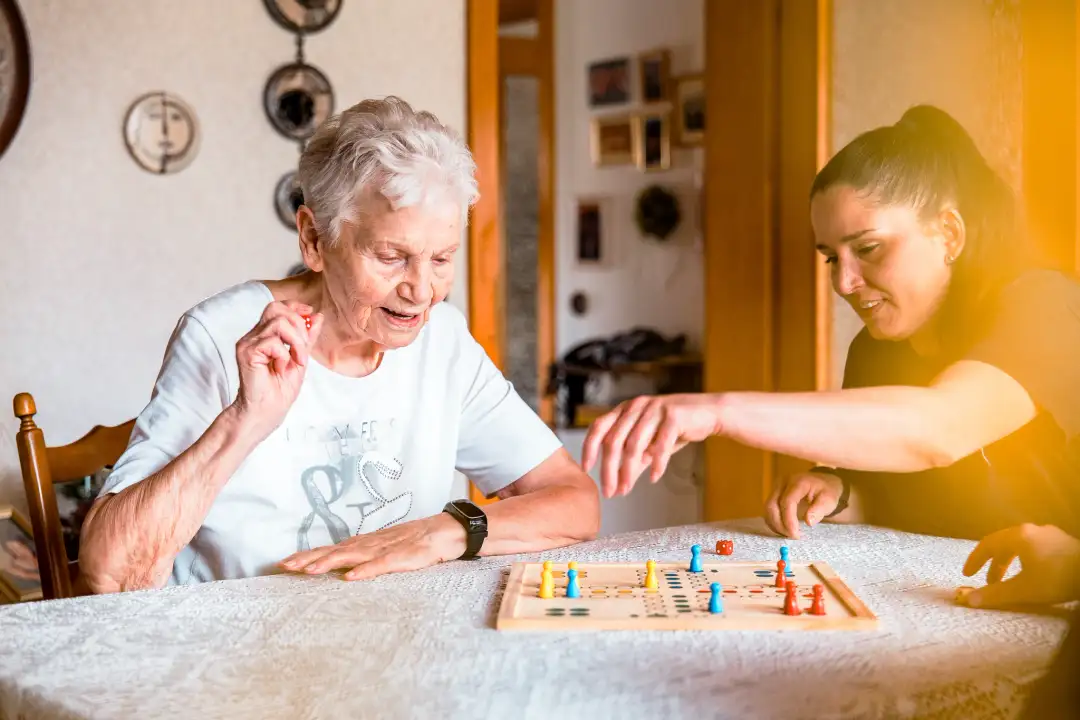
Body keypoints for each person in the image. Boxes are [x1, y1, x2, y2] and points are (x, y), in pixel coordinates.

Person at [78, 97, 599, 592]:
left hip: (393, 650)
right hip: (236, 658)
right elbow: (111, 576)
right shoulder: (221, 335)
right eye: (391, 256)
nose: (421, 291)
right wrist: (246, 420)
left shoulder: (442, 339)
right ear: (313, 239)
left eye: (441, 259)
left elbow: (573, 503)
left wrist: (443, 532)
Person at [582, 104, 1080, 543]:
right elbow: (918, 501)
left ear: (949, 234)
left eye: (868, 249)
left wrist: (719, 411)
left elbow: (941, 431)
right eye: (830, 258)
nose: (844, 283)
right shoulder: (874, 350)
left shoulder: (1042, 305)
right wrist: (842, 491)